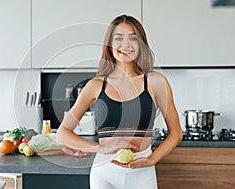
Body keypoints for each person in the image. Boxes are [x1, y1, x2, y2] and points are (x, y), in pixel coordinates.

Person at [56, 14, 183, 189]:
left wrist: (152, 159)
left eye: (133, 38)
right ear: (110, 45)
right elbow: (62, 133)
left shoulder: (156, 82)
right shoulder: (96, 85)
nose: (126, 44)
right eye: (118, 38)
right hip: (104, 173)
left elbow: (176, 133)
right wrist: (99, 149)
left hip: (142, 173)